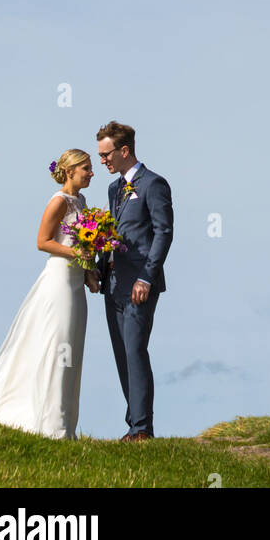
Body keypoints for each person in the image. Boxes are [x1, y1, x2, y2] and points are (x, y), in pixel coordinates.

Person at [0, 149, 100, 440]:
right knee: (57, 346)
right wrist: (75, 252)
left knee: (72, 349)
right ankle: (50, 426)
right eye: (86, 168)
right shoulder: (59, 201)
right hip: (58, 282)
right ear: (70, 171)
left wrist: (90, 270)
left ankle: (65, 423)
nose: (91, 173)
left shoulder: (82, 201)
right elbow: (42, 242)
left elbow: (84, 245)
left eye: (92, 168)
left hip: (76, 282)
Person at [95, 122, 173, 441]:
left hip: (140, 284)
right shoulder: (114, 189)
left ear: (124, 150)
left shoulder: (154, 184)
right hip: (112, 284)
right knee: (121, 354)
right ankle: (133, 423)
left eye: (106, 154)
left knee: (135, 350)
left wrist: (146, 277)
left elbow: (163, 232)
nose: (102, 161)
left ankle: (142, 429)